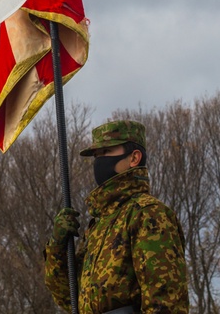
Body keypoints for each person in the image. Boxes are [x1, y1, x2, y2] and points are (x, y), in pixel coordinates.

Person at [44, 120, 189, 314]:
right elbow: (69, 298)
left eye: (106, 152)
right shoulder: (99, 226)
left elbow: (165, 302)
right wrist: (57, 247)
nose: (99, 161)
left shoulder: (147, 213)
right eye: (97, 155)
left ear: (134, 158)